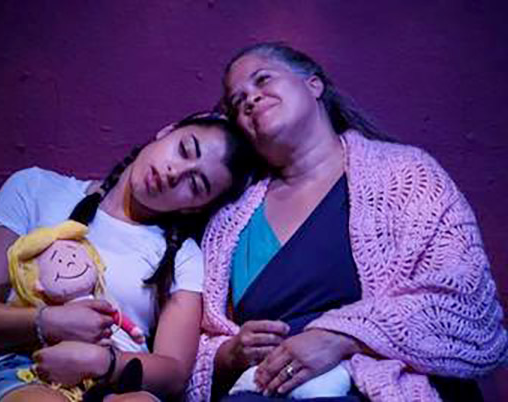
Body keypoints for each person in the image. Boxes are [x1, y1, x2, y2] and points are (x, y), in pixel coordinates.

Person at [186, 43, 508, 402]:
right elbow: (190, 345)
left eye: (263, 80)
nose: (250, 99)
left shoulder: (406, 174)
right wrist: (227, 355)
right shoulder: (228, 219)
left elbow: (468, 307)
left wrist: (341, 337)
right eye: (237, 101)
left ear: (313, 84)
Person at [0, 112, 258, 402]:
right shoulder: (35, 189)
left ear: (194, 207)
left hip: (120, 384)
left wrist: (102, 361)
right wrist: (48, 321)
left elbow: (175, 372)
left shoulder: (182, 255)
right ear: (167, 131)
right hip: (25, 370)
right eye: (184, 149)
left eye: (195, 185)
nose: (174, 173)